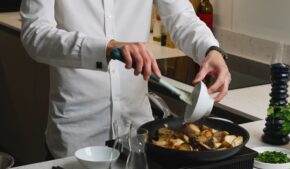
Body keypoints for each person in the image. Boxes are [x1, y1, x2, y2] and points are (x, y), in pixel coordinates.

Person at [20, 0, 231, 158]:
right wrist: (106, 47)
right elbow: (34, 34)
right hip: (78, 137)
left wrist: (211, 50)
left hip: (138, 136)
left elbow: (181, 18)